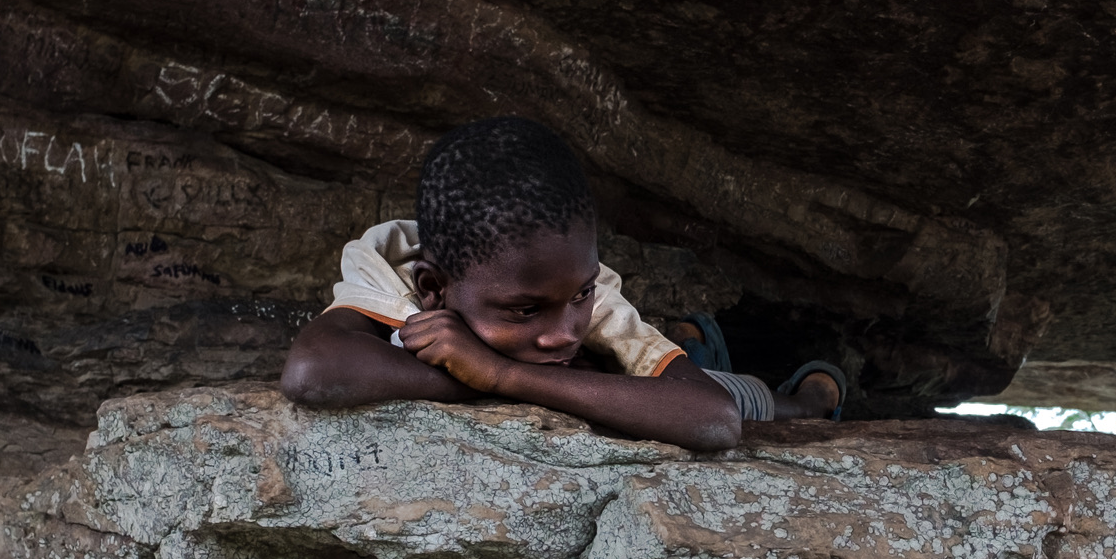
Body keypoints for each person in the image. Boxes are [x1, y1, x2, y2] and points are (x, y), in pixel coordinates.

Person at [279, 117, 845, 452]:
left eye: (580, 294)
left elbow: (714, 418)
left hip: (701, 387)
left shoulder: (582, 295)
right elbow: (313, 371)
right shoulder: (393, 264)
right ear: (433, 290)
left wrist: (502, 373)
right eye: (524, 312)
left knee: (754, 402)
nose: (563, 334)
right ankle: (695, 341)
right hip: (617, 382)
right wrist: (535, 380)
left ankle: (813, 398)